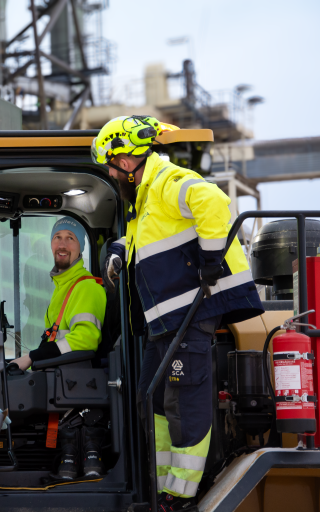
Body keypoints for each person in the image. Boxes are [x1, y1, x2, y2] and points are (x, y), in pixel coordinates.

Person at [93, 116, 263, 511]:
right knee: (151, 398)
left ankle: (181, 496)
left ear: (128, 158)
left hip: (190, 311)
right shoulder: (147, 197)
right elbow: (149, 239)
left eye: (110, 163)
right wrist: (120, 250)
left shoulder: (168, 181)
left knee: (184, 401)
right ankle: (161, 486)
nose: (109, 171)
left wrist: (209, 258)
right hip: (165, 320)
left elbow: (213, 202)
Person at [13, 217, 108, 480]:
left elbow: (86, 340)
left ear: (80, 249)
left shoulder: (87, 287)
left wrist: (30, 358)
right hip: (63, 386)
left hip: (78, 386)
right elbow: (55, 341)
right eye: (57, 237)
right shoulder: (60, 290)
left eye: (71, 238)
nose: (62, 244)